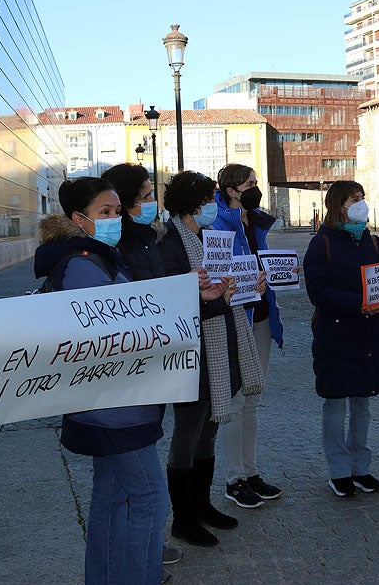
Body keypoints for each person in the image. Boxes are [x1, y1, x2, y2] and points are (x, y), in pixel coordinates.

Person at [33, 177, 167, 585]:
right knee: (149, 499)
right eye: (103, 213)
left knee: (111, 498)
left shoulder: (96, 256)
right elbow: (118, 329)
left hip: (111, 404)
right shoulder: (81, 264)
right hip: (115, 409)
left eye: (115, 211)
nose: (115, 219)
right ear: (78, 219)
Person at [158, 171, 264, 546]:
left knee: (210, 428)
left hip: (220, 346)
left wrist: (245, 285)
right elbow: (172, 299)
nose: (210, 206)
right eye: (206, 199)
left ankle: (202, 506)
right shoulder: (170, 242)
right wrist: (208, 293)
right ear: (192, 203)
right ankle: (183, 519)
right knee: (187, 435)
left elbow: (223, 283)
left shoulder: (208, 237)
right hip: (193, 351)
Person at [101, 163, 184, 574]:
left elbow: (166, 296)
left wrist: (199, 292)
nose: (154, 202)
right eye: (148, 195)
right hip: (129, 383)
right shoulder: (119, 248)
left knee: (115, 490)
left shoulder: (150, 239)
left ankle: (135, 555)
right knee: (144, 491)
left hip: (153, 371)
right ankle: (142, 562)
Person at [304, 180, 379, 497]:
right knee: (336, 403)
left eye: (362, 198)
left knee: (362, 404)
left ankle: (361, 467)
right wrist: (359, 304)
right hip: (337, 333)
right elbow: (318, 292)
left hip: (369, 334)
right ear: (339, 205)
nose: (361, 203)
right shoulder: (322, 243)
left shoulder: (373, 242)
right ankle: (339, 470)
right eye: (354, 199)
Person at [213, 163, 284, 508]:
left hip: (262, 316)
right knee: (237, 401)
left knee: (254, 397)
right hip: (235, 318)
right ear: (231, 190)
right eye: (250, 184)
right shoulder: (218, 223)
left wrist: (279, 272)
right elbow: (217, 270)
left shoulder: (255, 221)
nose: (256, 188)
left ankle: (251, 472)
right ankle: (233, 478)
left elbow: (263, 262)